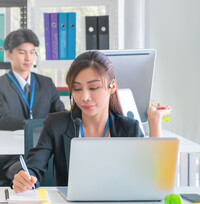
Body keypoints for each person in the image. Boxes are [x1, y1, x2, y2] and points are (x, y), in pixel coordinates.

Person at [12, 50, 171, 193]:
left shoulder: (129, 128)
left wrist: (155, 122)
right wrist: (25, 178)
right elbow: (34, 168)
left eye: (93, 88)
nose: (84, 97)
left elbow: (153, 180)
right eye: (77, 89)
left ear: (112, 87)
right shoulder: (56, 124)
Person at [0, 29, 65, 184]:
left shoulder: (46, 83)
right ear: (9, 54)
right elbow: (2, 120)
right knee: (29, 175)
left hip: (46, 151)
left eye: (32, 52)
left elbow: (61, 114)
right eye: (22, 52)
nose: (28, 58)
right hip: (13, 156)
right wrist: (39, 125)